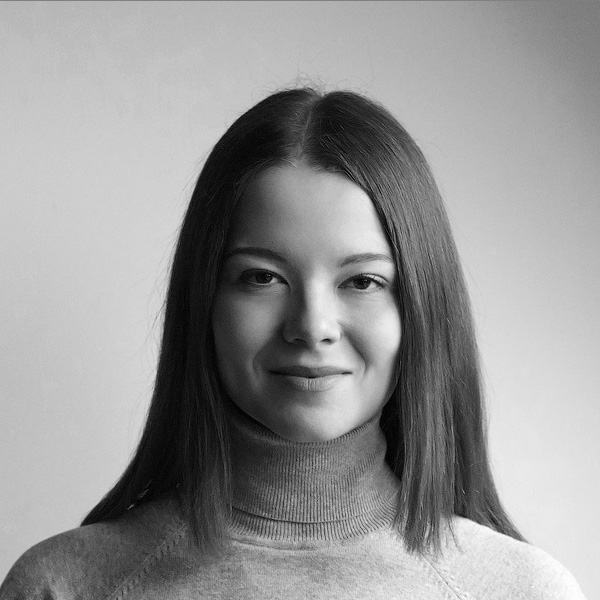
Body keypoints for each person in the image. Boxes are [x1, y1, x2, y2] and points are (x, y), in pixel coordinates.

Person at [0, 87, 586, 599]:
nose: (312, 325)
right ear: (204, 300)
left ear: (422, 310)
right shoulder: (64, 586)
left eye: (363, 281)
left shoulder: (524, 591)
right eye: (263, 277)